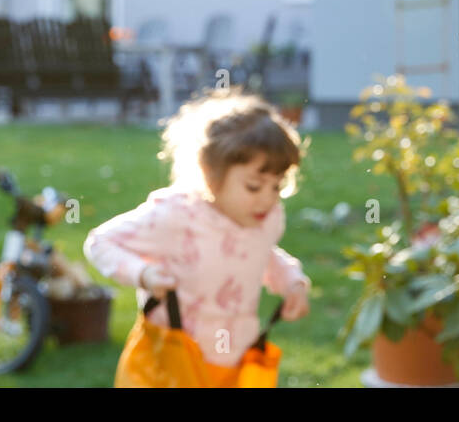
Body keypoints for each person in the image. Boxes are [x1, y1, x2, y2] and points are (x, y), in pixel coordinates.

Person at [84, 88, 311, 376]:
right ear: (209, 172)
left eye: (276, 186)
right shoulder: (178, 216)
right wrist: (143, 274)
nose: (268, 198)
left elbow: (260, 252)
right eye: (254, 186)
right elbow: (101, 242)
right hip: (171, 360)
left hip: (233, 360)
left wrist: (291, 282)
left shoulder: (261, 219)